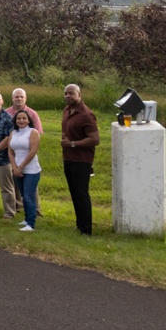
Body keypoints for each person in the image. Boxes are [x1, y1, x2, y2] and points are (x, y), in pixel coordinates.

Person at [61, 84, 99, 236]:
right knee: (74, 192)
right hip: (68, 158)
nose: (68, 96)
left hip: (82, 160)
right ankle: (79, 224)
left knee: (82, 194)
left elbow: (95, 139)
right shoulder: (67, 110)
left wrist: (72, 144)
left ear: (79, 94)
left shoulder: (86, 114)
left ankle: (86, 229)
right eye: (66, 94)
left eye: (71, 93)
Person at [6, 88, 44, 215]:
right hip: (13, 155)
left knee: (31, 187)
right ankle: (19, 207)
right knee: (16, 183)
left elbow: (38, 134)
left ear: (25, 98)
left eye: (21, 97)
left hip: (29, 157)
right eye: (16, 97)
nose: (19, 99)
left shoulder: (32, 114)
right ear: (12, 98)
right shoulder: (7, 113)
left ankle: (36, 210)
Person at [9, 110, 41, 231]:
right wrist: (14, 167)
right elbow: (10, 152)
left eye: (24, 118)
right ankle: (26, 219)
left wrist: (21, 167)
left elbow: (33, 152)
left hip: (31, 170)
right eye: (18, 119)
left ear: (28, 120)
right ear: (15, 121)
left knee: (28, 196)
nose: (21, 121)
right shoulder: (13, 133)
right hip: (17, 169)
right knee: (23, 196)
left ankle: (31, 224)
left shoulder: (33, 132)